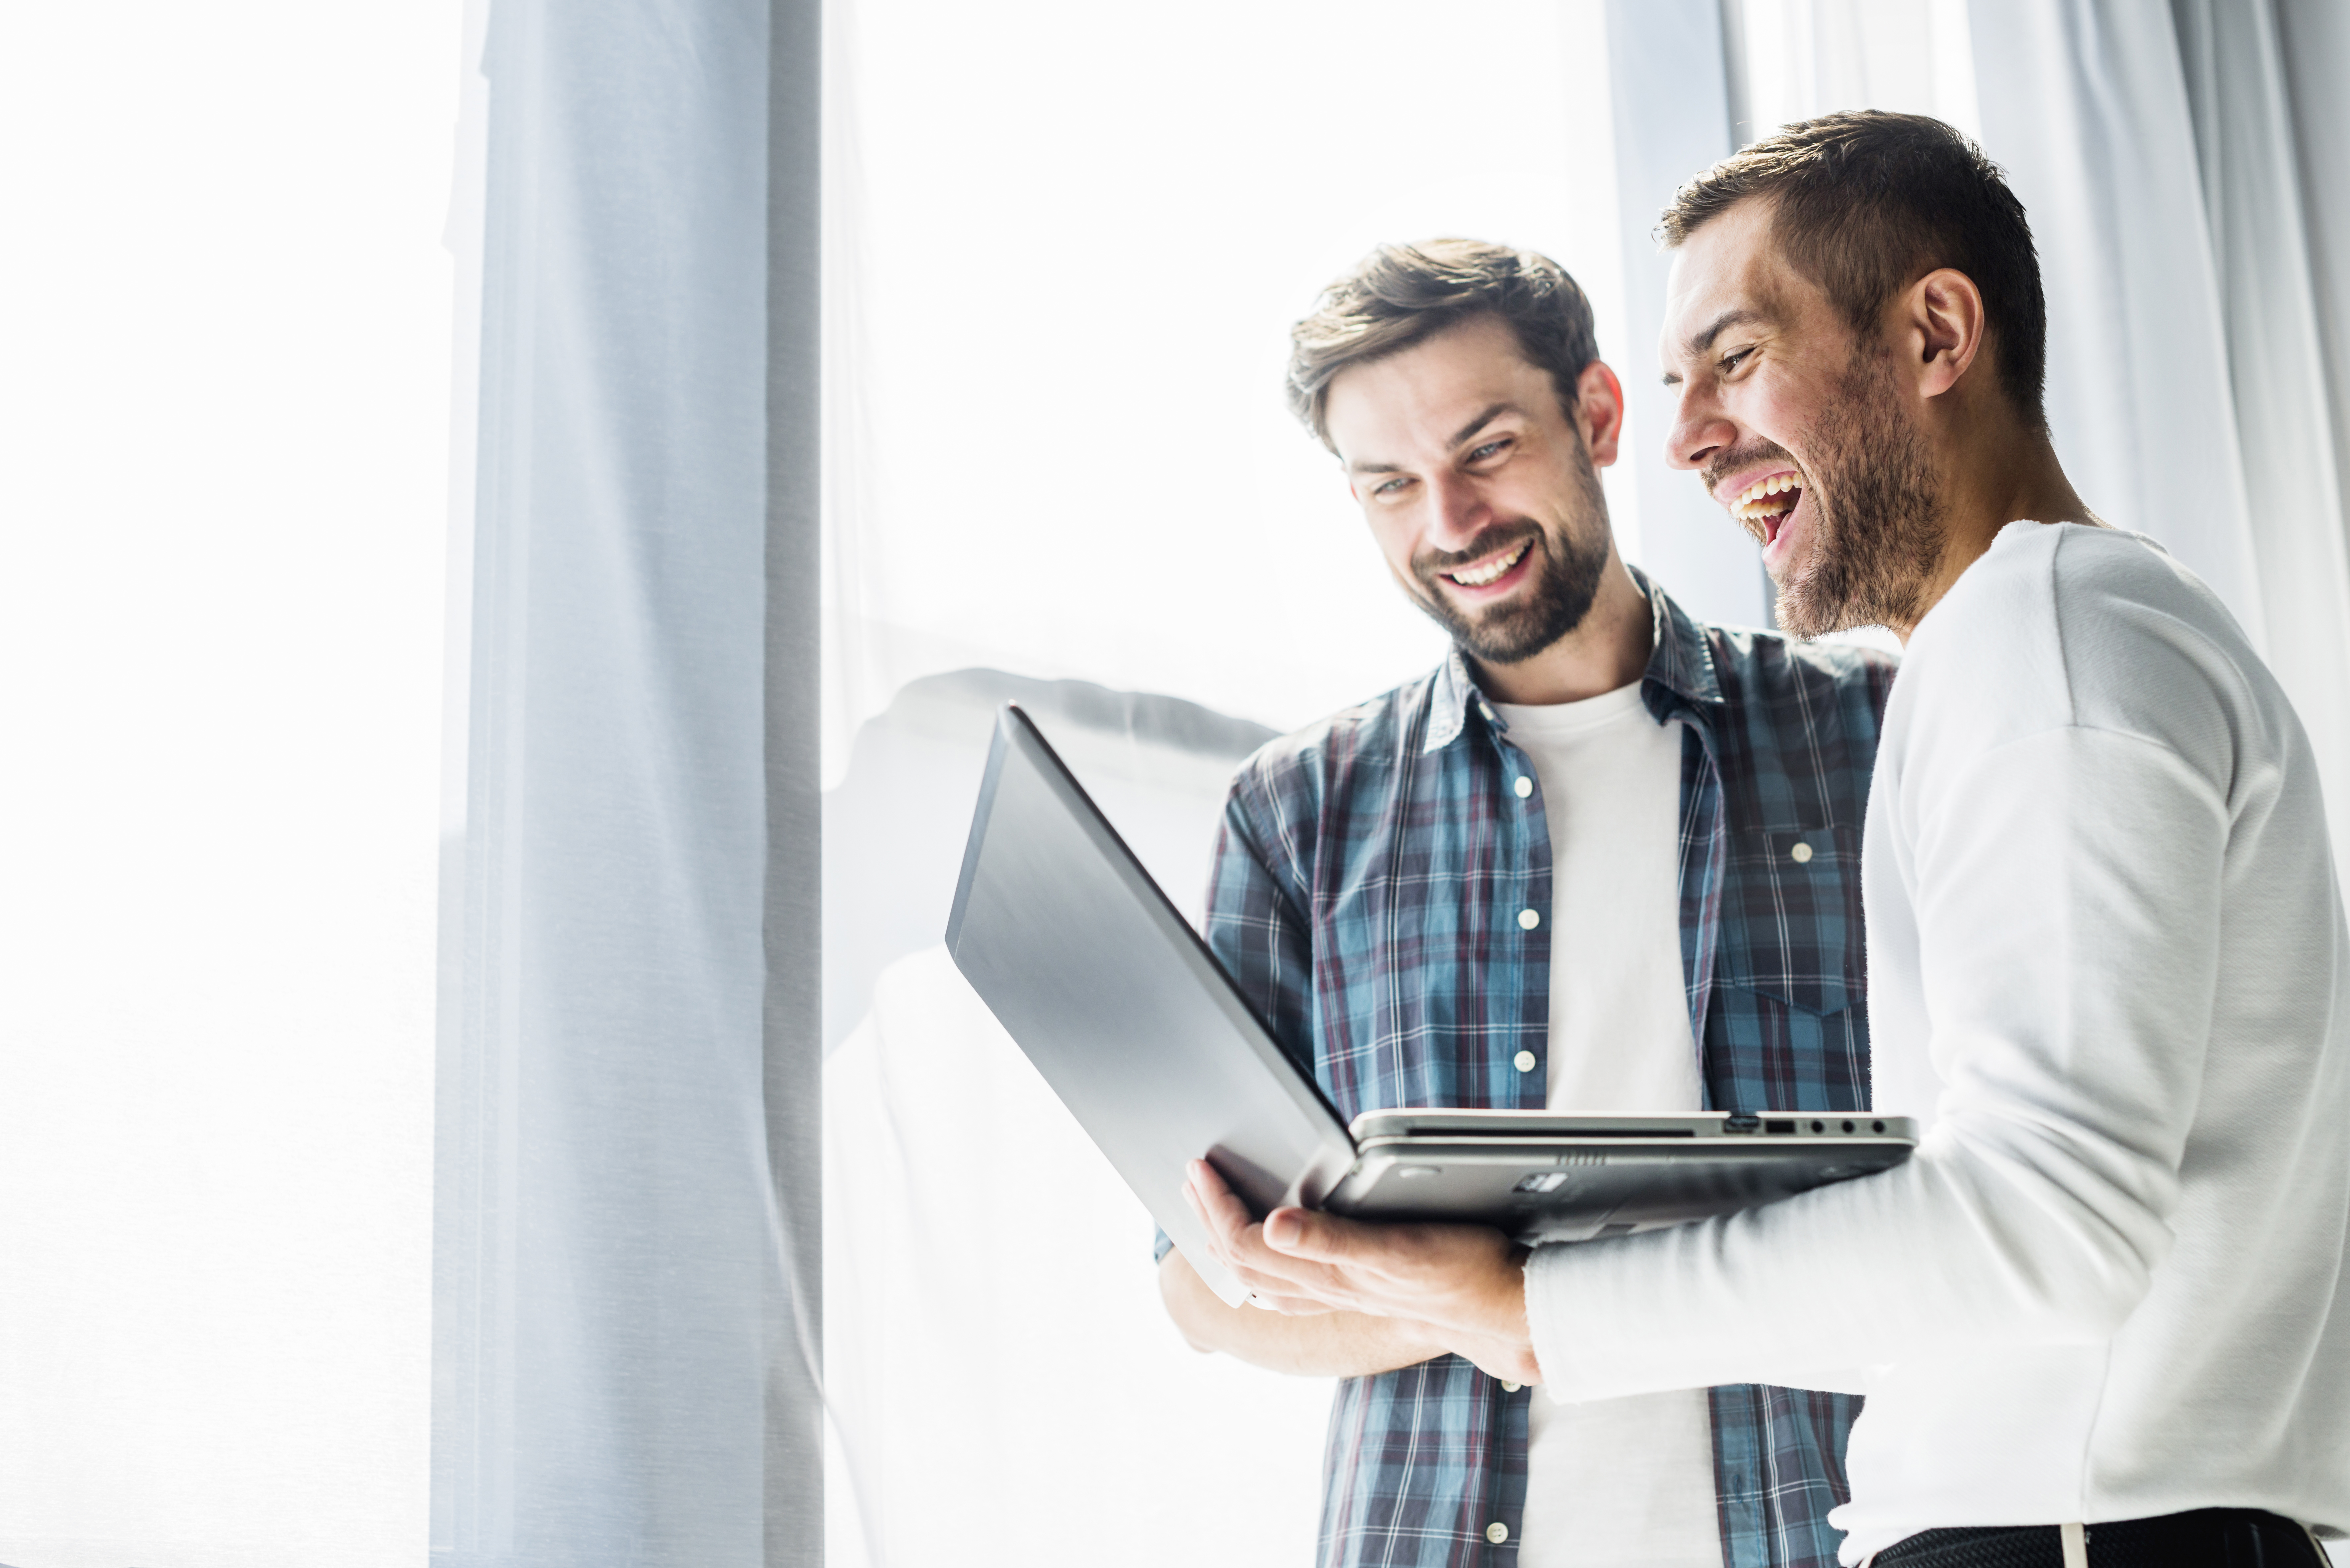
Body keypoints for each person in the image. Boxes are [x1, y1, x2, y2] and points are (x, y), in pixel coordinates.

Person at [1184, 114, 2350, 1568]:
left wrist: (1526, 1306)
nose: (1690, 439)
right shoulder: (2040, 641)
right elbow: (2014, 1239)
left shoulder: (2028, 642)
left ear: (1936, 334)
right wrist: (1472, 1294)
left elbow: (2047, 1223)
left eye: (1734, 358)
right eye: (1387, 482)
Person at [1159, 238, 1897, 1568]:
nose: (1450, 522)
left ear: (1596, 415)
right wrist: (1486, 1302)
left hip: (1830, 1528)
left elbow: (1993, 1180)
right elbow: (1201, 1284)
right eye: (1390, 485)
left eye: (1486, 449)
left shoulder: (1870, 733)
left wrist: (1493, 1292)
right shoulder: (1295, 812)